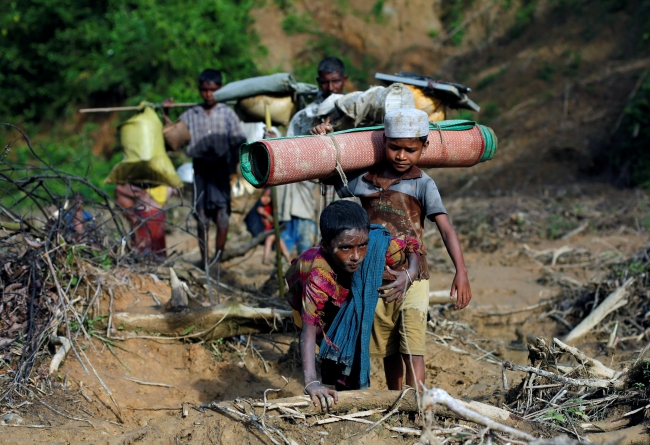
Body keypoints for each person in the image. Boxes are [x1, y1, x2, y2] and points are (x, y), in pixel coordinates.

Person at [318, 108, 473, 391]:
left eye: (410, 150)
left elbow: (446, 228)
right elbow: (329, 175)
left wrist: (461, 271)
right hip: (375, 280)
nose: (401, 156)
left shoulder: (423, 184)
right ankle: (395, 398)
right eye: (394, 148)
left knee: (412, 347)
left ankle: (418, 403)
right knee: (388, 349)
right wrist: (324, 142)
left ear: (424, 147)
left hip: (414, 279)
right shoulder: (364, 181)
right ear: (384, 143)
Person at [286, 201, 420, 410]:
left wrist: (410, 274)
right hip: (306, 300)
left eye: (362, 245)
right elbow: (309, 328)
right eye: (345, 247)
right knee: (329, 342)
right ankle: (332, 385)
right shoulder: (319, 275)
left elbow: (411, 245)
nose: (356, 256)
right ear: (326, 245)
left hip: (343, 295)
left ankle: (345, 390)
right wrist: (311, 383)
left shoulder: (376, 246)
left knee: (349, 330)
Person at [163, 69, 247, 264]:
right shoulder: (191, 114)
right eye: (204, 90)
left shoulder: (227, 114)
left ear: (221, 90)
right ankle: (204, 261)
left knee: (222, 215)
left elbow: (238, 142)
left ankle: (217, 258)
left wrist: (235, 167)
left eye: (213, 90)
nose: (208, 94)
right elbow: (172, 137)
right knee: (201, 216)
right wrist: (166, 114)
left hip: (221, 168)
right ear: (199, 90)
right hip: (200, 169)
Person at [272, 58, 351, 258]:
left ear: (345, 80)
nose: (331, 87)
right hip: (312, 188)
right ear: (318, 81)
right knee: (317, 240)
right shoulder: (306, 114)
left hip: (346, 184)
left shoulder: (354, 109)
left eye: (336, 81)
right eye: (325, 82)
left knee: (346, 235)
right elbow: (290, 145)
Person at [115, 183, 167, 259]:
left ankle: (144, 255)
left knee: (152, 241)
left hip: (149, 214)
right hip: (148, 213)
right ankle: (143, 255)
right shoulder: (125, 186)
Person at [243, 188, 291, 264]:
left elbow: (274, 221)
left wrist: (265, 214)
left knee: (276, 238)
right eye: (264, 196)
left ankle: (286, 258)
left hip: (270, 232)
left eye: (268, 197)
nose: (265, 199)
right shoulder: (259, 207)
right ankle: (285, 257)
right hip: (262, 232)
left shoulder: (270, 208)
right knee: (273, 237)